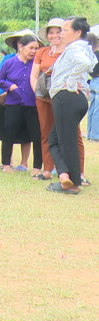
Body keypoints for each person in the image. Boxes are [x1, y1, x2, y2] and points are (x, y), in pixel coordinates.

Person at [45, 17, 97, 195]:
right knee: (55, 140)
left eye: (65, 30)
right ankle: (65, 177)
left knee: (66, 143)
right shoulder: (84, 48)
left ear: (78, 33)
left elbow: (84, 64)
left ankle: (72, 183)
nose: (61, 33)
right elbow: (92, 66)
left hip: (67, 97)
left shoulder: (76, 48)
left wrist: (72, 83)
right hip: (74, 99)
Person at [30, 18, 85, 181]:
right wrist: (38, 92)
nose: (55, 36)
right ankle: (47, 170)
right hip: (44, 97)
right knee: (46, 133)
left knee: (73, 133)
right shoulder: (42, 52)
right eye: (51, 32)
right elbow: (34, 76)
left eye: (58, 31)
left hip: (64, 98)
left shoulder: (70, 51)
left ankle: (79, 172)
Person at [0, 32, 42, 177]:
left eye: (36, 48)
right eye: (31, 48)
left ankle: (36, 167)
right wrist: (9, 86)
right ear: (21, 47)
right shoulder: (9, 62)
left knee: (36, 135)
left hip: (32, 104)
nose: (33, 51)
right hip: (13, 103)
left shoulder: (36, 64)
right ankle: (6, 164)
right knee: (9, 133)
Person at [86, 33, 99, 141]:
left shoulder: (88, 54)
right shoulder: (97, 53)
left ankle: (90, 134)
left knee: (92, 109)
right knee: (97, 110)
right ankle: (96, 135)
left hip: (93, 81)